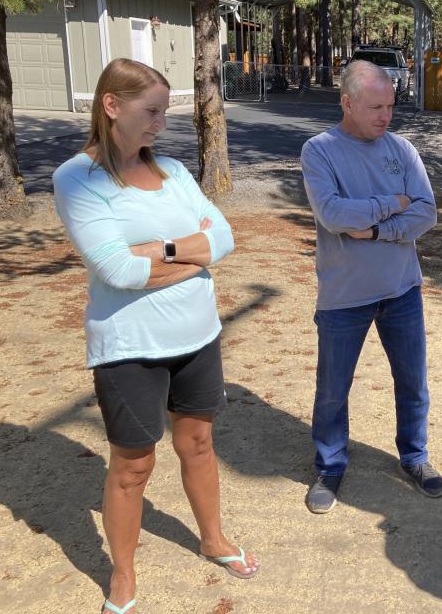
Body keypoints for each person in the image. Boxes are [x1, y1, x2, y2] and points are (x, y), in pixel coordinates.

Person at [53, 58, 259, 614]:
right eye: (151, 111)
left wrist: (163, 251)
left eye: (165, 112)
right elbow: (116, 271)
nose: (161, 123)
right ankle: (123, 576)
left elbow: (224, 237)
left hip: (197, 334)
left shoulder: (173, 170)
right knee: (133, 466)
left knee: (198, 443)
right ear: (111, 106)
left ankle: (212, 539)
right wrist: (192, 252)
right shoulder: (77, 178)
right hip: (129, 348)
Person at [301, 60, 442, 514]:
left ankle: (415, 458)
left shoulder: (402, 150)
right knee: (333, 389)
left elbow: (427, 213)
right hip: (345, 296)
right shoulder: (319, 151)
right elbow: (335, 215)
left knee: (412, 382)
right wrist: (392, 203)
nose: (386, 116)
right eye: (375, 107)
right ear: (347, 102)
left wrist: (379, 227)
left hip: (401, 289)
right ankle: (330, 465)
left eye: (390, 106)